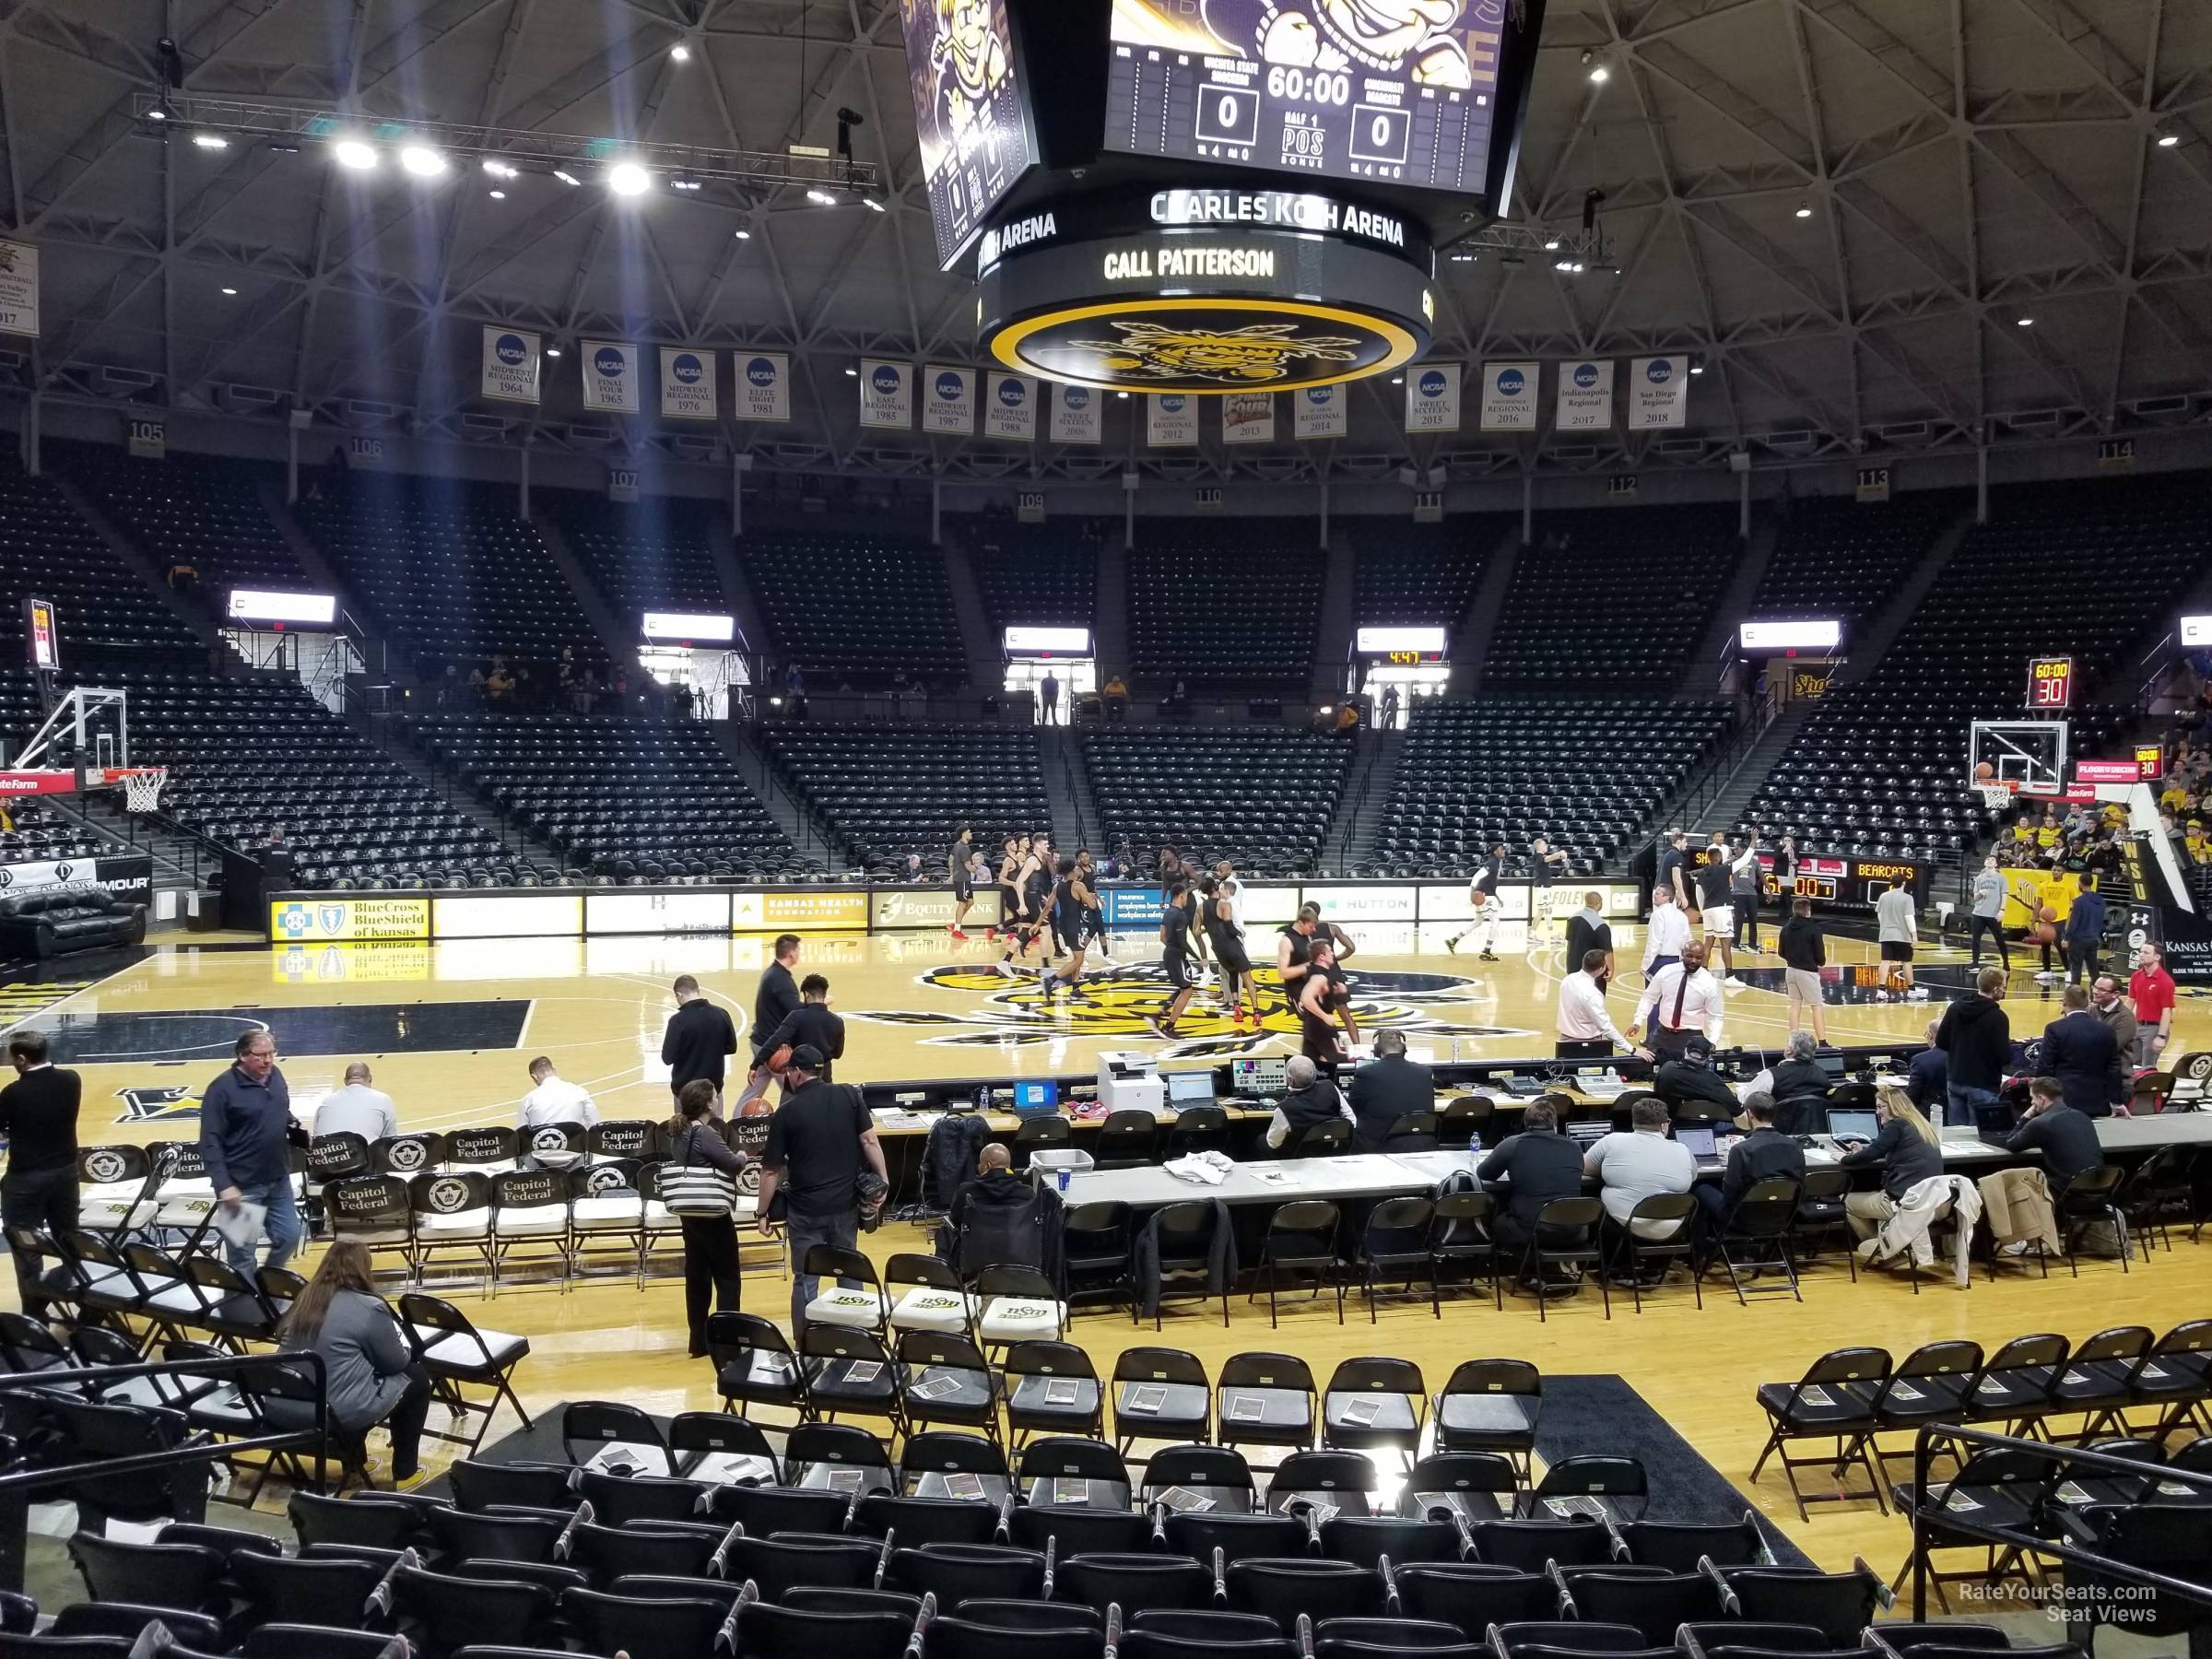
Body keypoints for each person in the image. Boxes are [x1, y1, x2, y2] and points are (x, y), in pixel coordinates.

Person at [273, 1241, 434, 1491]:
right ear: (363, 1268)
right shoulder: (369, 1307)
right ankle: (406, 1473)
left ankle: (356, 1463)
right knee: (416, 1378)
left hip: (284, 1407)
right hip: (331, 1415)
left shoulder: (303, 1300)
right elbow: (395, 1363)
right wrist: (403, 1350)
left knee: (344, 1376)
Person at [757, 1045, 887, 1335]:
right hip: (846, 1207)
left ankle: (805, 1342)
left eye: (788, 1071)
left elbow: (769, 1171)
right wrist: (884, 1183)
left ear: (797, 1072)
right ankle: (859, 1336)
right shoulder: (849, 1095)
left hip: (805, 1212)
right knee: (850, 1270)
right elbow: (870, 1142)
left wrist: (762, 1212)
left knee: (805, 1278)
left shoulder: (786, 1112)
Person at [199, 1030, 303, 1277]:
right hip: (241, 1185)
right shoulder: (221, 1089)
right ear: (243, 1055)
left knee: (290, 1236)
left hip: (278, 1178)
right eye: (260, 1055)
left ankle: (269, 1281)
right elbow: (209, 1141)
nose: (268, 1060)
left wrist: (293, 1124)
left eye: (271, 1054)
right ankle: (246, 1309)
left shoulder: (275, 1076)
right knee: (242, 1256)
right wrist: (224, 1185)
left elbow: (280, 1110)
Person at [0, 1031, 79, 1318]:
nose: (8, 1060)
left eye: (11, 1056)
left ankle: (34, 1315)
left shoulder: (13, 1093)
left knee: (26, 1245)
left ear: (21, 1059)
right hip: (67, 1174)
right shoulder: (72, 1080)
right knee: (70, 1238)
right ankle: (88, 1301)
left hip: (27, 1179)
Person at [666, 1079, 748, 1357]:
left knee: (696, 1277)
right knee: (727, 1277)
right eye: (714, 1096)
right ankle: (726, 1342)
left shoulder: (677, 1132)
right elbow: (733, 1165)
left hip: (689, 1214)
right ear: (708, 1103)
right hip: (713, 1213)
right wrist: (742, 1155)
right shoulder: (707, 1134)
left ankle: (698, 1342)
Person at [1476, 1100, 1587, 1265]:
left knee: (1495, 1216)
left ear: (1526, 1123)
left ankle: (1522, 1266)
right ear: (1555, 1123)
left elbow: (1484, 1173)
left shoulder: (1513, 1144)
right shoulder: (1574, 1147)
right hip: (1575, 1231)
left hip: (1532, 1231)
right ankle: (1550, 1266)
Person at [1583, 1099, 1696, 1256]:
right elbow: (1693, 1178)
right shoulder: (1683, 1149)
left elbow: (1586, 1169)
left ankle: (1618, 1268)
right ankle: (1659, 1268)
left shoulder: (1612, 1140)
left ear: (1634, 1120)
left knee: (1591, 1199)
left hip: (1623, 1224)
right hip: (1673, 1226)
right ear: (1665, 1124)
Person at [1835, 1088, 1946, 1248]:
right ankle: (1890, 1244)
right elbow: (1887, 1150)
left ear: (1894, 1107)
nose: (1877, 1112)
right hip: (1929, 1201)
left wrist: (1844, 1158)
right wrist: (1864, 1151)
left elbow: (1871, 1154)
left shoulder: (1896, 1125)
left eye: (1881, 1107)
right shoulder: (1920, 1124)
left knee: (1844, 1201)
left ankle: (1883, 1247)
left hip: (1902, 1201)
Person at [1697, 1090, 1805, 1227]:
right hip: (1782, 1215)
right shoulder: (1795, 1146)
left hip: (1742, 1218)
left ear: (1749, 1115)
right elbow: (1801, 1184)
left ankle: (1703, 1243)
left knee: (1700, 1186)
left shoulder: (1741, 1149)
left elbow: (1730, 1192)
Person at [1999, 1075, 2102, 1199]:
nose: (2031, 1102)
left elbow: (2011, 1143)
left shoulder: (2042, 1123)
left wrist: (2025, 1117)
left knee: (2013, 1188)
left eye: (2032, 1098)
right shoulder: (2083, 1116)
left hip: (2067, 1195)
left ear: (2041, 1098)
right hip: (2100, 1189)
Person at [1936, 966, 2011, 1128]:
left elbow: (1941, 1041)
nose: (2004, 991)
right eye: (2004, 987)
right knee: (1984, 1136)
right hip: (1983, 1084)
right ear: (1996, 988)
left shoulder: (1955, 1007)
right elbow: (2004, 1056)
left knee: (1957, 1137)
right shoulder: (1998, 1017)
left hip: (1955, 1079)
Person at [1556, 948, 1653, 1063]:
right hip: (1588, 1045)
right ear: (1601, 969)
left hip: (1564, 1041)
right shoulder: (1592, 994)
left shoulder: (1568, 980)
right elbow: (1605, 1027)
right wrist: (1632, 1050)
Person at [1346, 1030, 1434, 1153]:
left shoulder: (1365, 1073)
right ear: (1404, 1051)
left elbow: (1353, 1108)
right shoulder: (1425, 1072)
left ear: (1378, 1052)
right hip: (1419, 1142)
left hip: (1377, 1144)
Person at [1631, 939, 1724, 1059]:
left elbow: (1715, 1016)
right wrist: (1638, 1021)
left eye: (1699, 958)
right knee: (1652, 1072)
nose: (1694, 961)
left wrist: (1712, 1042)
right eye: (1690, 956)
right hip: (1661, 1034)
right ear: (1682, 954)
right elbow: (1649, 997)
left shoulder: (1709, 983)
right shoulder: (1666, 972)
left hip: (1691, 1037)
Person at [2042, 984, 2122, 1118]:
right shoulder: (2106, 1030)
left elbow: (2045, 1066)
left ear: (2064, 1002)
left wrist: (2042, 1097)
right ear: (2087, 1003)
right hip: (2097, 1100)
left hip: (2064, 1100)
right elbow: (2114, 1069)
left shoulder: (2055, 1029)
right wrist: (2117, 1101)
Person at [756, 974, 846, 1082]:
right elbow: (837, 1054)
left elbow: (775, 1040)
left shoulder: (796, 1016)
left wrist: (756, 1064)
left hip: (799, 1077)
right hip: (824, 1078)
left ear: (807, 994)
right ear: (824, 994)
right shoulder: (837, 1021)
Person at [662, 974, 739, 1100]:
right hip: (712, 1092)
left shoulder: (677, 1021)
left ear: (679, 995)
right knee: (715, 1121)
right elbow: (731, 1048)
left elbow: (667, 1058)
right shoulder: (721, 1014)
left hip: (685, 1093)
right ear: (698, 991)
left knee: (684, 1121)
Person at [745, 935, 804, 1099]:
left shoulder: (772, 972)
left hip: (761, 1042)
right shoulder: (781, 979)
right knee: (794, 1092)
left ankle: (737, 1122)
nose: (799, 954)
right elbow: (796, 1011)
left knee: (752, 1093)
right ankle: (789, 1123)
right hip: (773, 1047)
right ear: (791, 953)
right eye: (798, 950)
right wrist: (818, 1003)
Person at [1198, 875, 1257, 1030]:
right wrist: (1241, 933)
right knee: (1247, 979)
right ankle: (1256, 1013)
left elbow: (1196, 932)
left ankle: (1235, 1007)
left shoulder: (1199, 907)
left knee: (1230, 973)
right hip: (1232, 945)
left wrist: (1208, 929)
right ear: (1216, 888)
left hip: (1217, 949)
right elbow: (1231, 929)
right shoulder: (1225, 904)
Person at [1263, 1055, 1356, 1151]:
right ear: (1315, 1073)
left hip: (1296, 1157)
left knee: (1261, 1141)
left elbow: (1273, 1143)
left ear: (1290, 1080)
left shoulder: (1284, 1108)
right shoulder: (1330, 1087)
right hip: (1329, 1151)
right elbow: (1351, 1120)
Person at [1776, 897, 1829, 1043]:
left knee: (1794, 1005)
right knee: (1817, 1006)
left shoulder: (1785, 928)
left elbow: (1780, 952)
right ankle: (1823, 1042)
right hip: (1807, 972)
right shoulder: (1814, 929)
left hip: (1790, 971)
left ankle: (1792, 1041)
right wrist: (1819, 962)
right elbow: (1820, 955)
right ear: (1808, 911)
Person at [1653, 1034, 1742, 1119]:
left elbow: (1657, 1092)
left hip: (1667, 1123)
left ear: (1685, 1050)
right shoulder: (1710, 1080)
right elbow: (1737, 1109)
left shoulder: (1667, 1068)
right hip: (1705, 1124)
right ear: (1708, 1057)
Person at [1297, 941, 1350, 1073]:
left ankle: (1305, 1090)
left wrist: (1336, 992)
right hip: (1322, 1028)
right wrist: (1325, 1016)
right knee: (1342, 1060)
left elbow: (1319, 996)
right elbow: (1306, 997)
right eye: (1329, 951)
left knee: (1309, 1065)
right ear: (1321, 956)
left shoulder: (1316, 971)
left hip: (1311, 1026)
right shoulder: (1320, 977)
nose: (1332, 953)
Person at [1446, 845, 1508, 958]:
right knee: (1495, 922)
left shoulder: (1497, 862)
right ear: (1495, 852)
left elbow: (1489, 883)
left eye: (1504, 849)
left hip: (1487, 895)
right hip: (1485, 897)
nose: (1503, 850)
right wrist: (1472, 894)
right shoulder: (1492, 863)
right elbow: (1477, 877)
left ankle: (1453, 940)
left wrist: (1497, 897)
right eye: (1501, 849)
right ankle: (1486, 951)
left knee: (1477, 922)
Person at [1156, 882, 1200, 1038]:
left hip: (1168, 953)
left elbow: (1162, 936)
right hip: (1177, 956)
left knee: (1183, 987)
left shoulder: (1167, 912)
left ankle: (1162, 1010)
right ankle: (1169, 1027)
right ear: (1181, 895)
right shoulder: (1181, 915)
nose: (1187, 898)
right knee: (1187, 991)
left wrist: (1171, 947)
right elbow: (1183, 942)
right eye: (1187, 895)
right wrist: (1198, 958)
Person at [1767, 1030, 1831, 1135]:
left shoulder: (1771, 1074)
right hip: (1818, 1134)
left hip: (1779, 1134)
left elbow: (1749, 1100)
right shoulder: (1822, 1073)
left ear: (1789, 1050)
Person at [315, 1063, 400, 1143]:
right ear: (370, 1079)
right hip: (363, 1156)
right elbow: (389, 1140)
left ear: (345, 1081)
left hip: (327, 1156)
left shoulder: (326, 1101)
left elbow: (316, 1137)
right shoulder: (383, 1099)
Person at [1695, 847, 1738, 984]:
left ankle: (1702, 971)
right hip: (1722, 908)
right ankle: (1730, 977)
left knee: (1708, 942)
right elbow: (1745, 860)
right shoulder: (1723, 870)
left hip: (1707, 909)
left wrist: (1702, 910)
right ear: (1718, 858)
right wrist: (1753, 843)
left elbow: (1699, 893)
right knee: (1726, 943)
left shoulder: (1701, 873)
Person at [2130, 944, 2176, 1069]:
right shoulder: (2136, 976)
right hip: (2137, 1026)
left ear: (2157, 957)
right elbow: (2130, 1001)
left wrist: (2161, 1036)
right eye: (2141, 951)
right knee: (2131, 1065)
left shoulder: (2165, 981)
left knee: (2148, 1068)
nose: (2141, 955)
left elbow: (2167, 1011)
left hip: (2153, 1029)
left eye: (2146, 952)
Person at [2089, 974, 2138, 1086]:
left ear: (2115, 994)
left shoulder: (2126, 1018)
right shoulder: (2091, 1010)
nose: (2096, 991)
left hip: (2117, 1080)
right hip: (2094, 1076)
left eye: (2102, 990)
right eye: (2095, 987)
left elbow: (2110, 1048)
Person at [1875, 878, 1920, 995]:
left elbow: (1879, 914)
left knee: (1885, 961)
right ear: (1904, 883)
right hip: (1902, 935)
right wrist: (1914, 935)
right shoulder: (1907, 898)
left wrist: (1885, 925)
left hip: (1886, 934)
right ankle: (1911, 989)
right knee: (1906, 962)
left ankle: (1881, 990)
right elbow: (1909, 917)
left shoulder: (1883, 896)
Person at [1563, 892, 1614, 988]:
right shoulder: (1600, 925)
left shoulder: (1572, 918)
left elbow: (1569, 942)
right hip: (1592, 973)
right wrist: (1611, 969)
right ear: (1598, 904)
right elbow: (1607, 951)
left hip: (1572, 969)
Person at [1641, 885, 1690, 982]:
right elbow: (1687, 940)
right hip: (1677, 962)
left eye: (1658, 893)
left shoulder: (1658, 914)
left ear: (1666, 898)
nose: (1654, 895)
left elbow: (1654, 942)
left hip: (1660, 962)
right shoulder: (1682, 915)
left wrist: (1646, 965)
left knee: (1653, 995)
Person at [1968, 855, 2009, 969]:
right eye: (1988, 859)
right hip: (1979, 913)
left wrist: (2002, 910)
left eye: (1992, 860)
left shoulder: (2001, 878)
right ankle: (1975, 962)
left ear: (1996, 864)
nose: (1990, 861)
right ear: (1984, 863)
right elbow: (1975, 897)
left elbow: (2004, 894)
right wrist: (1980, 893)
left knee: (1999, 939)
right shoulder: (1980, 878)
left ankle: (2006, 963)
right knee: (1975, 939)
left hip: (1993, 914)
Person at [2065, 872, 2106, 986]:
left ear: (2080, 883)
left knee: (2076, 969)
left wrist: (2067, 938)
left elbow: (2074, 922)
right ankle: (2096, 994)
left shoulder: (2079, 901)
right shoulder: (2101, 901)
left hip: (2079, 939)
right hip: (2093, 939)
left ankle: (2075, 996)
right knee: (2094, 970)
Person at [1905, 1021, 1948, 1115]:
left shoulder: (1920, 1059)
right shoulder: (1964, 1055)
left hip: (1929, 1115)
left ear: (1930, 1035)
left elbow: (1912, 1096)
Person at [1730, 836, 1764, 953]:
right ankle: (1735, 943)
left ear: (1744, 850)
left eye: (1737, 849)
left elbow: (1762, 876)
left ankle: (1752, 944)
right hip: (1737, 894)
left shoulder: (1754, 862)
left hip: (1752, 894)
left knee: (1753, 920)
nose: (1735, 851)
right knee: (1738, 919)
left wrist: (1769, 891)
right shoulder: (1732, 862)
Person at [948, 824, 977, 939]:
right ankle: (956, 930)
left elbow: (951, 859)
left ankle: (955, 925)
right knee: (962, 903)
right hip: (963, 878)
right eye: (969, 832)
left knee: (970, 902)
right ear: (964, 833)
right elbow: (968, 866)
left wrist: (951, 874)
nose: (971, 834)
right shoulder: (964, 848)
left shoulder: (956, 845)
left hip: (961, 877)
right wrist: (978, 869)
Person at [1654, 829, 1689, 912]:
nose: (1686, 844)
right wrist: (1683, 897)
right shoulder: (1676, 855)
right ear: (1678, 842)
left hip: (1658, 891)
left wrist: (1677, 892)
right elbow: (1676, 879)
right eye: (1685, 842)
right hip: (1665, 894)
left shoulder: (1666, 853)